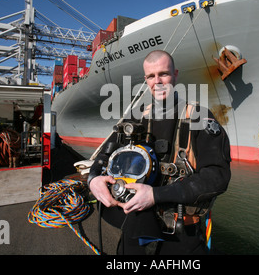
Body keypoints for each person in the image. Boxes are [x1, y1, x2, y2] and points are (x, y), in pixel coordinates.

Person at [88, 50, 231, 255]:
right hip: (135, 226)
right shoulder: (136, 118)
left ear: (175, 74)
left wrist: (156, 195)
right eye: (151, 76)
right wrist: (94, 179)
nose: (158, 81)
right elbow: (104, 155)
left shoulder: (198, 117)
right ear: (146, 80)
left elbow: (217, 176)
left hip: (180, 232)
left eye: (164, 74)